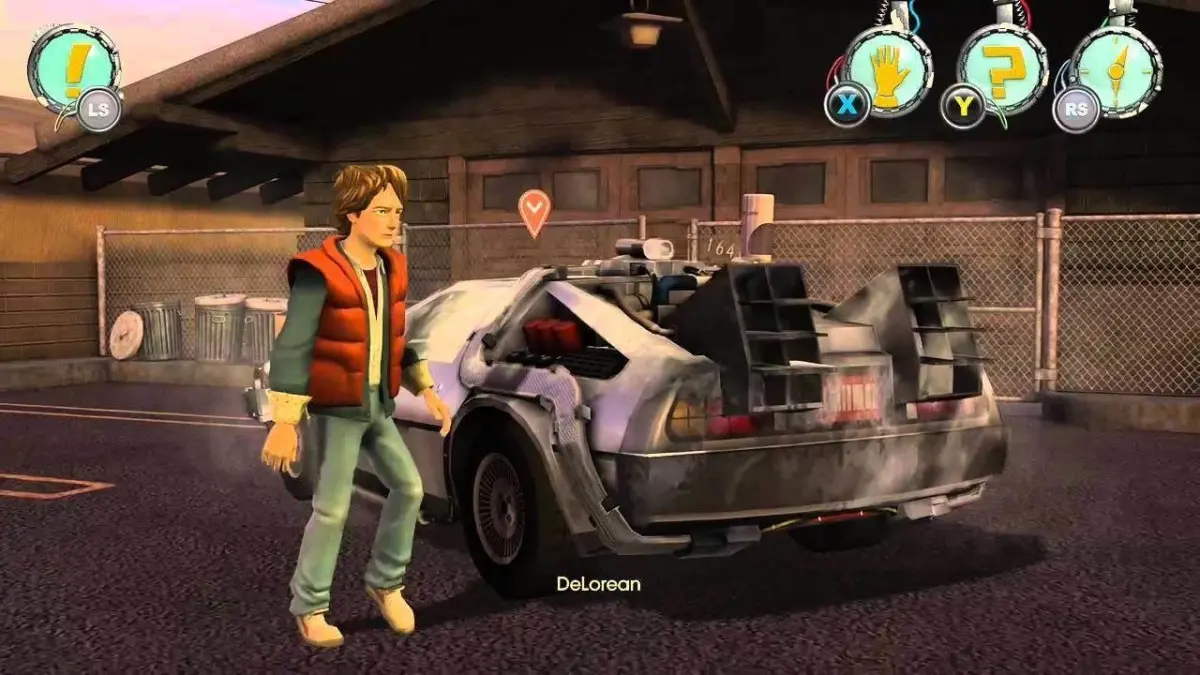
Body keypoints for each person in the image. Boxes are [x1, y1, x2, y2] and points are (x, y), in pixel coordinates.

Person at [260, 164, 452, 649]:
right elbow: (293, 345)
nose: (394, 220)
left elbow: (397, 336)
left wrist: (427, 389)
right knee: (332, 509)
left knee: (409, 488)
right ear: (352, 213)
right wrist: (285, 421)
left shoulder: (393, 267)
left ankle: (386, 583)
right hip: (336, 409)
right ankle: (310, 606)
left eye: (398, 211)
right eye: (382, 210)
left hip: (377, 405)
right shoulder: (316, 271)